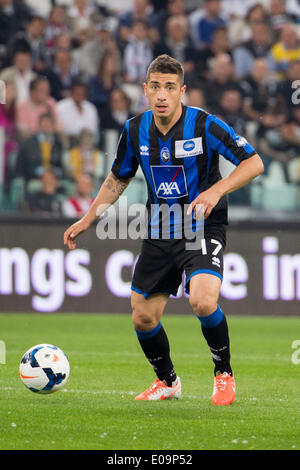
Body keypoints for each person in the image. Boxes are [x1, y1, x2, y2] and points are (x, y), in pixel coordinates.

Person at [64, 54, 264, 405]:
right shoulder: (134, 129)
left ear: (181, 91)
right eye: (155, 86)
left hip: (201, 226)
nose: (161, 94)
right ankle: (167, 381)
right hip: (159, 229)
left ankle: (223, 373)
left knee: (202, 300)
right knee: (142, 316)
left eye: (170, 87)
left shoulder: (205, 125)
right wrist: (88, 218)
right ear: (145, 90)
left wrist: (215, 191)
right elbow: (117, 178)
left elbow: (255, 162)